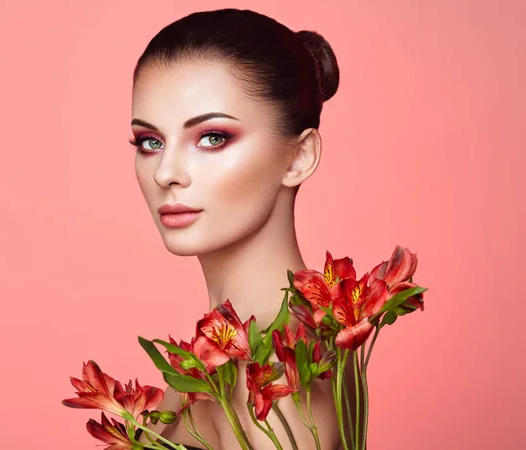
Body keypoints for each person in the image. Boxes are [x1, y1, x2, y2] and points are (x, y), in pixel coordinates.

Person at [129, 8, 352, 450]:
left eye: (212, 137)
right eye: (150, 142)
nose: (165, 173)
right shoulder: (241, 348)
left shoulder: (273, 378)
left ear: (298, 156)